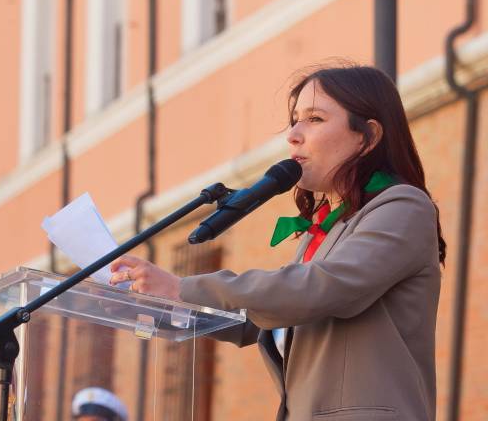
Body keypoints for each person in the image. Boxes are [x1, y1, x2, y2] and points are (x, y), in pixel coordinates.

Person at [108, 65, 446, 421]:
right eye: (295, 119)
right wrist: (148, 305)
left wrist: (184, 287)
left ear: (367, 136)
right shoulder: (329, 228)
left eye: (314, 119)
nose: (294, 135)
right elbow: (252, 319)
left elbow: (321, 288)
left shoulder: (403, 207)